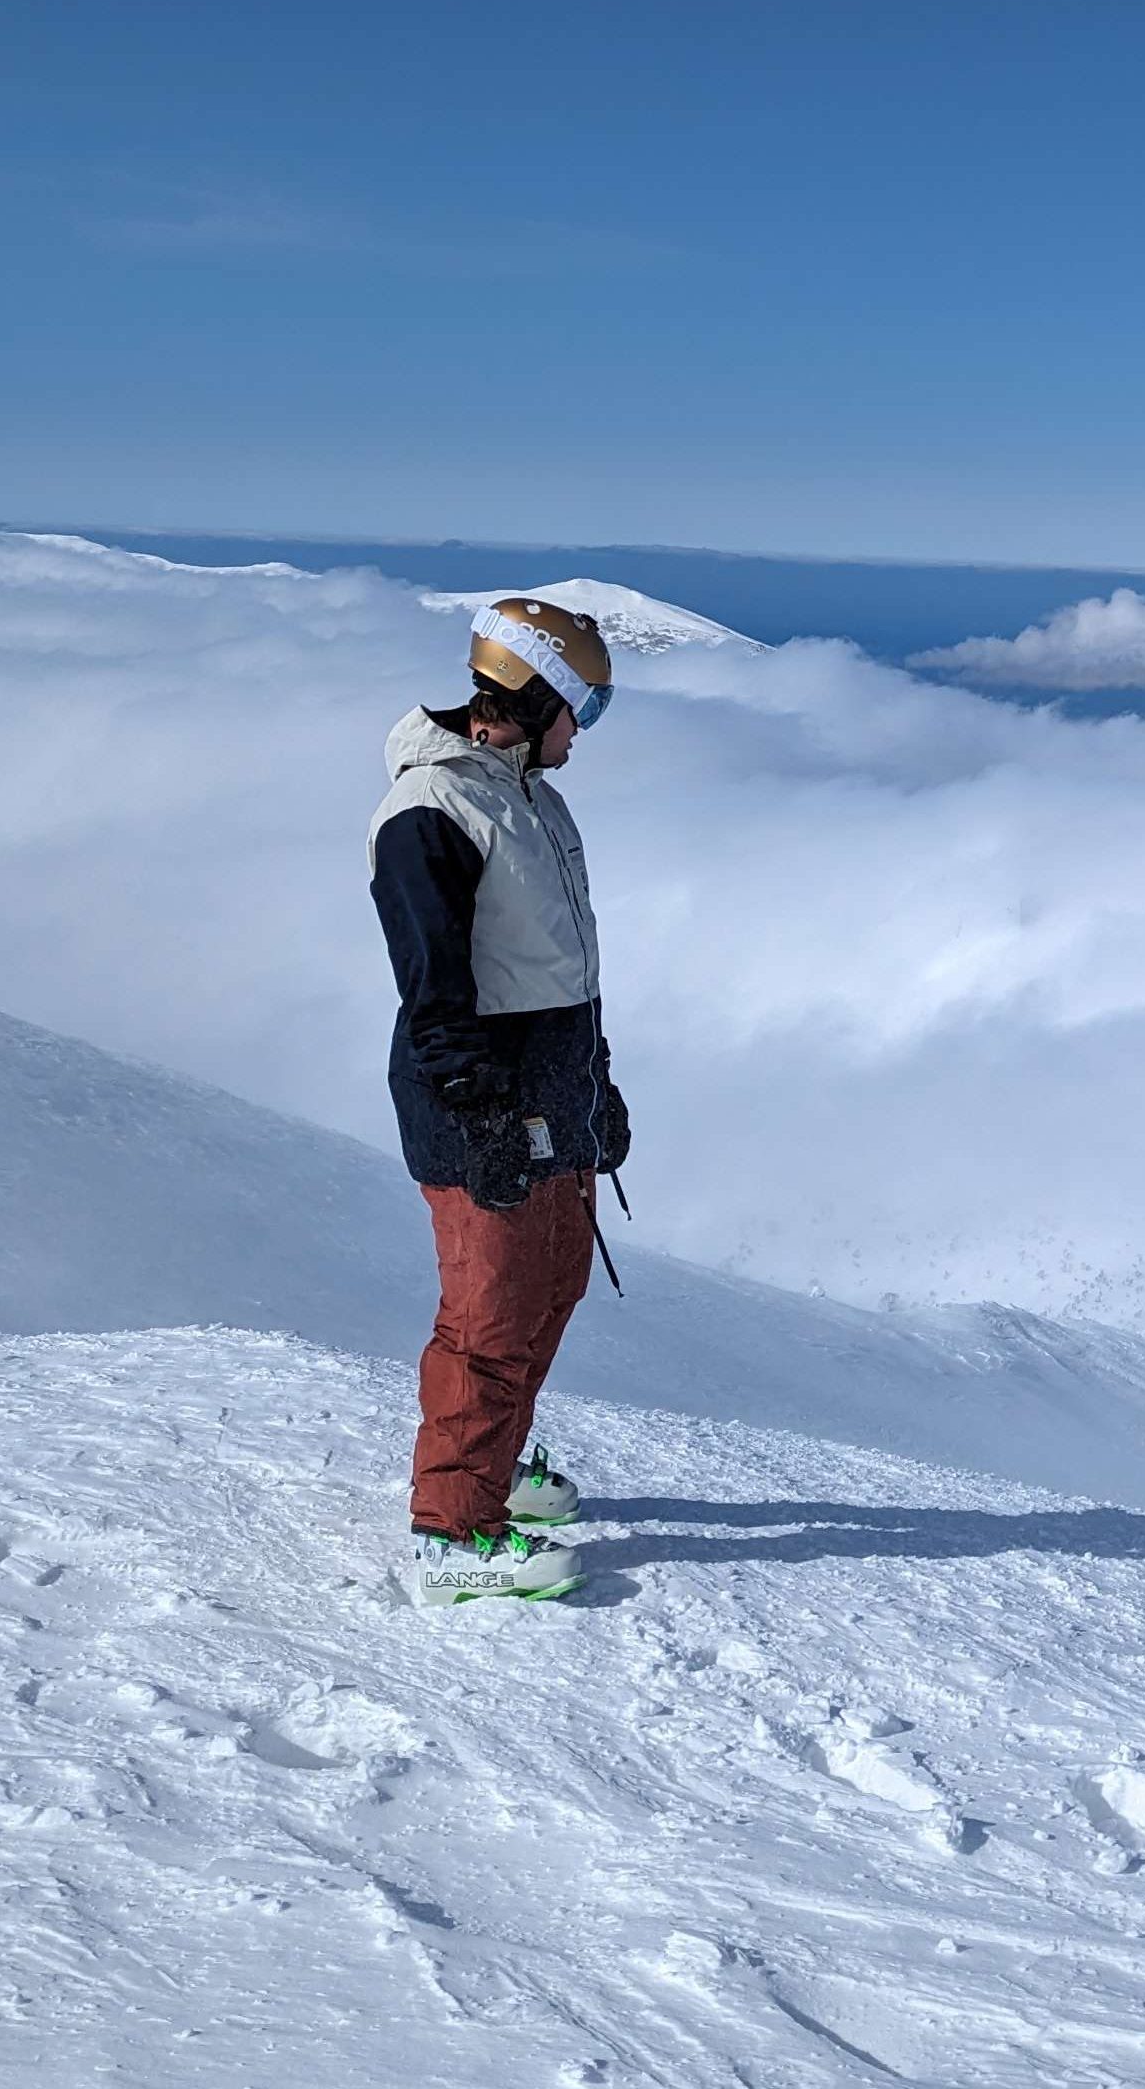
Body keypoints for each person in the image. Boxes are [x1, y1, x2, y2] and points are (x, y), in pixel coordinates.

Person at [368, 597, 631, 1606]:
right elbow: (433, 991)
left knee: (552, 1283)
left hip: (549, 1085)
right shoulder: (430, 812)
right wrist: (478, 1111)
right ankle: (451, 1524)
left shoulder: (530, 795)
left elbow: (560, 966)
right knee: (489, 1311)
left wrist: (594, 1084)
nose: (583, 734)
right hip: (480, 1096)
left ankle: (497, 1462)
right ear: (531, 700)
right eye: (583, 711)